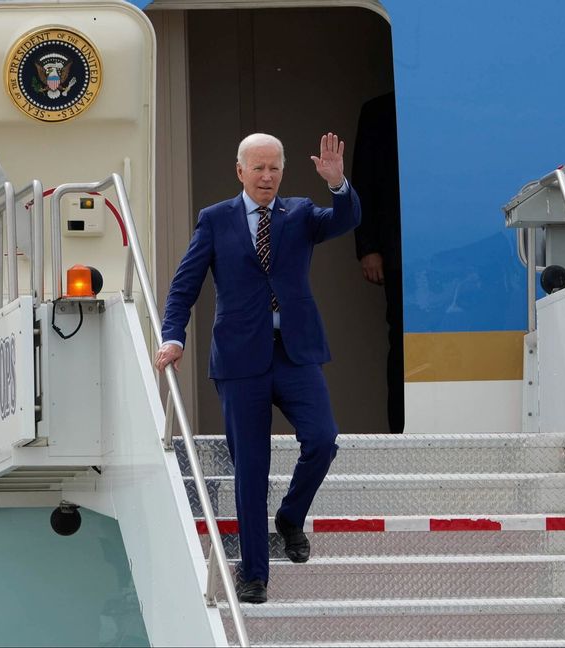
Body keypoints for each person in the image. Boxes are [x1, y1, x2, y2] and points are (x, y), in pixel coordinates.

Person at [155, 132, 360, 604]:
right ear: (240, 171)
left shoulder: (302, 213)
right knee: (251, 467)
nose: (267, 176)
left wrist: (338, 184)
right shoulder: (215, 220)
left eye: (275, 168)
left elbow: (346, 220)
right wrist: (173, 336)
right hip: (239, 359)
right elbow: (184, 286)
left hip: (295, 353)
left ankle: (290, 517)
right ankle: (254, 574)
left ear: (283, 171)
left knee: (323, 440)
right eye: (258, 168)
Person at [352, 91, 404, 434]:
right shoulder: (378, 109)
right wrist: (368, 247)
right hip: (394, 247)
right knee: (400, 338)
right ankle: (399, 427)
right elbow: (363, 181)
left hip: (448, 246)